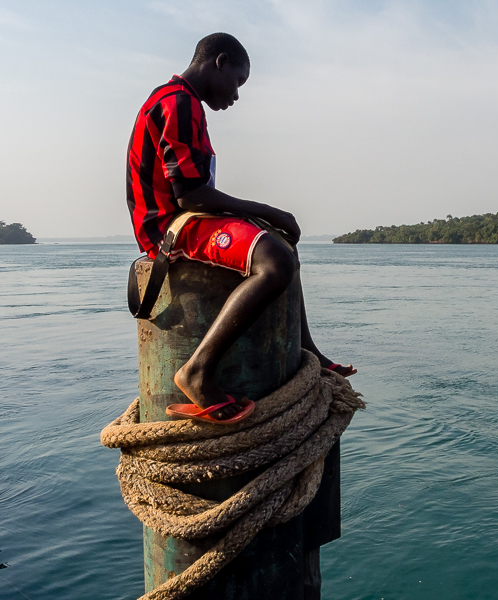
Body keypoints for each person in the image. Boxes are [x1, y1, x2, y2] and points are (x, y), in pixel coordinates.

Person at [126, 32, 356, 423]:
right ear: (220, 62)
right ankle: (196, 371)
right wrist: (269, 210)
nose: (236, 94)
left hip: (188, 218)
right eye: (238, 81)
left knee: (280, 243)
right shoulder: (177, 104)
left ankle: (307, 348)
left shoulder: (182, 103)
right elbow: (189, 195)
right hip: (170, 227)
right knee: (275, 262)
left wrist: (266, 221)